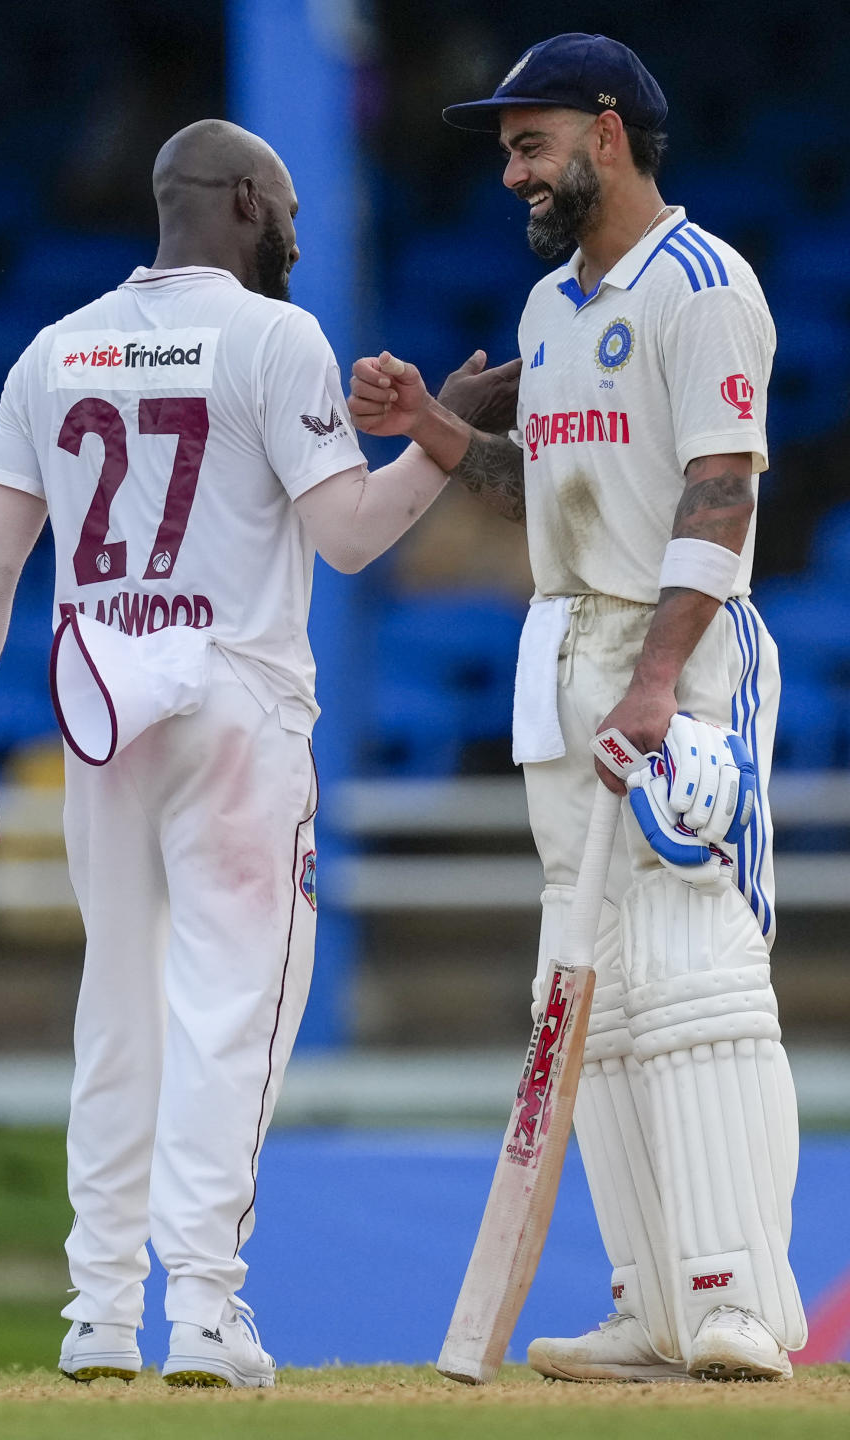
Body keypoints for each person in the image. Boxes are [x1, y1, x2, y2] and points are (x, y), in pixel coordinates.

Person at [0, 119, 453, 1387]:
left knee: (118, 1008)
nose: (297, 229)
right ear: (240, 201)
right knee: (233, 1008)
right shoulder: (276, 337)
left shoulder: (54, 350)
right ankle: (205, 1312)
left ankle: (99, 1310)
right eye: (283, 204)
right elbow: (351, 536)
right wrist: (446, 438)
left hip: (104, 705)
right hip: (234, 700)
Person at [348, 33, 806, 1383]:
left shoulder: (706, 285)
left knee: (693, 969)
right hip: (565, 662)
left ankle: (737, 1299)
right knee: (584, 989)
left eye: (529, 142)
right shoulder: (551, 309)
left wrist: (660, 676)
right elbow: (541, 487)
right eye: (505, 147)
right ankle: (648, 1303)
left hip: (682, 653)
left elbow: (721, 497)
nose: (509, 171)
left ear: (608, 133)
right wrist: (434, 429)